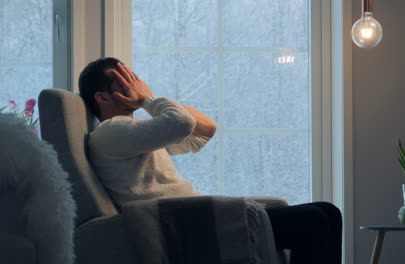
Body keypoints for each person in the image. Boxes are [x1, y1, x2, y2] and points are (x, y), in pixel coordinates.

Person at [79, 57, 342, 264]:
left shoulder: (135, 135)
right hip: (185, 225)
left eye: (134, 79)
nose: (134, 85)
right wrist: (148, 99)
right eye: (125, 82)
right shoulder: (109, 133)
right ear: (101, 98)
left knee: (328, 212)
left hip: (197, 216)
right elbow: (182, 122)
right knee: (313, 220)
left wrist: (149, 97)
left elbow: (205, 128)